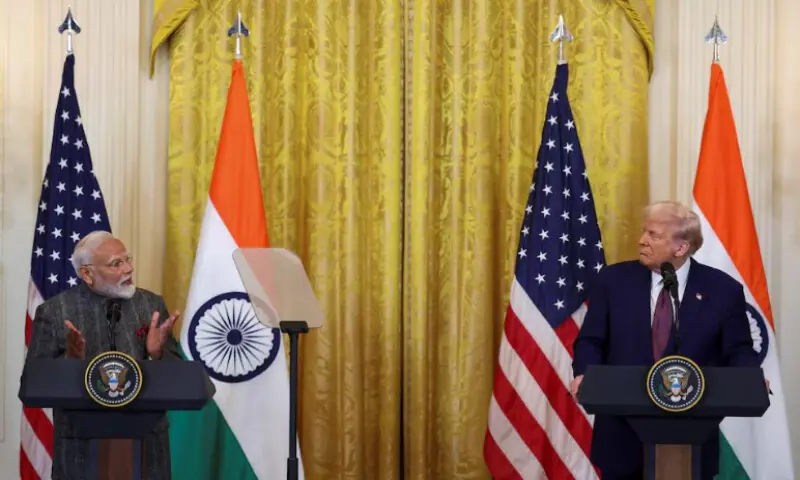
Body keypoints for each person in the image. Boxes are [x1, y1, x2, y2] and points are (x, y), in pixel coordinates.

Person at [570, 201, 764, 480]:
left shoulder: (722, 289)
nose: (641, 241)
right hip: (621, 434)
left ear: (681, 248)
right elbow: (590, 340)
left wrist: (750, 379)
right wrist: (583, 374)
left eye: (654, 235)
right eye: (644, 232)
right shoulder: (613, 281)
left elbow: (738, 349)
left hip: (692, 435)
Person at [25, 230, 181, 480]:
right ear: (87, 274)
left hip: (145, 446)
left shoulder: (150, 305)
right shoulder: (56, 312)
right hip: (81, 449)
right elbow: (33, 385)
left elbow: (179, 378)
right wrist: (71, 363)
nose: (128, 268)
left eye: (128, 259)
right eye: (116, 264)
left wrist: (157, 353)